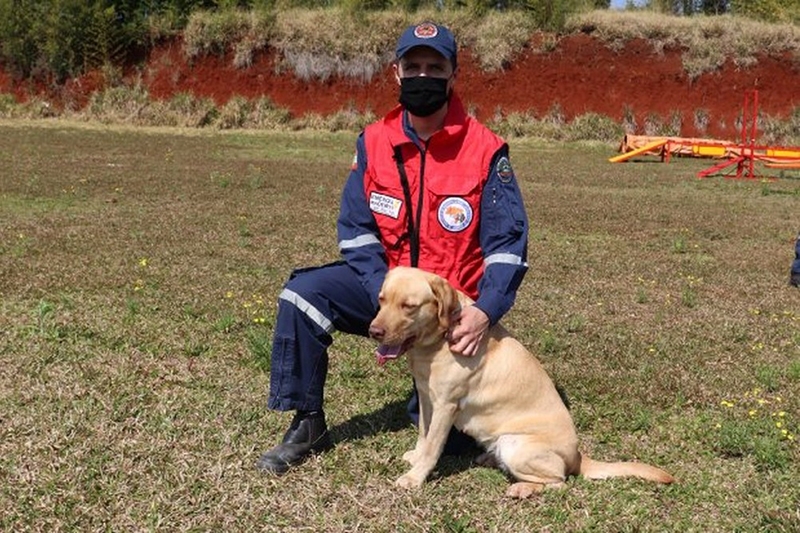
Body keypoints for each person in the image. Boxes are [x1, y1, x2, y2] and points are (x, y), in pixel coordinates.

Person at [256, 22, 529, 474]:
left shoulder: (485, 150)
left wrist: (485, 311)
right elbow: (355, 231)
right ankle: (307, 423)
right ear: (396, 74)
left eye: (435, 67)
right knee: (302, 297)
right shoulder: (374, 142)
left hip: (449, 305)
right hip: (383, 287)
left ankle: (436, 402)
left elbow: (507, 246)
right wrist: (382, 294)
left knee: (453, 439)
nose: (424, 76)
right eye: (414, 66)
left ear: (453, 75)